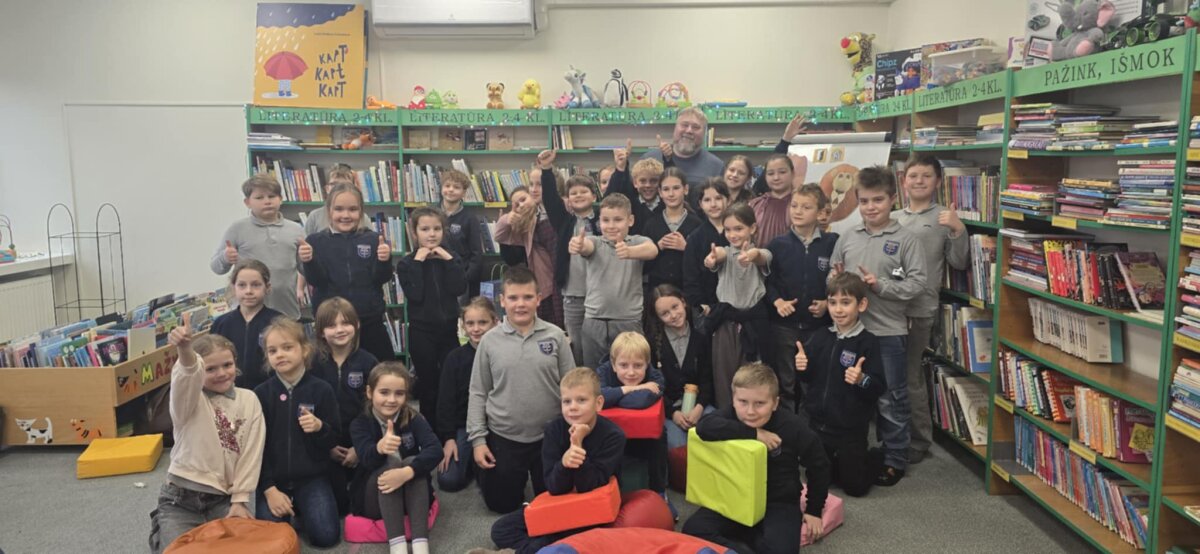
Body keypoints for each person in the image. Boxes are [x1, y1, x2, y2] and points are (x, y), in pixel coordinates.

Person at [828, 165, 928, 487]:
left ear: (893, 199)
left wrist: (880, 285)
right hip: (850, 333)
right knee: (850, 391)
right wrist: (835, 279)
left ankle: (895, 458)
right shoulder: (848, 236)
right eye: (864, 201)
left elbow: (917, 283)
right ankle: (850, 451)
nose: (871, 207)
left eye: (878, 200)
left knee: (890, 397)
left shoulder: (906, 240)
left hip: (887, 332)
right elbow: (831, 275)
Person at [681, 363, 830, 554]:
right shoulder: (731, 414)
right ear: (733, 400)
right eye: (743, 402)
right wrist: (754, 433)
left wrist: (813, 510)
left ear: (775, 403)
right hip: (735, 496)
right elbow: (704, 427)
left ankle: (749, 537)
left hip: (778, 502)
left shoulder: (793, 426)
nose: (750, 411)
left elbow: (820, 465)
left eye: (760, 403)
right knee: (693, 530)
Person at [467, 267, 575, 514]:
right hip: (505, 435)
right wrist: (478, 441)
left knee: (555, 500)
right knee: (501, 505)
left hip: (549, 434)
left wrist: (574, 430)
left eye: (527, 297)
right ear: (502, 301)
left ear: (538, 299)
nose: (520, 304)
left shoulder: (556, 336)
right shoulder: (489, 341)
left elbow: (572, 385)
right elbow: (478, 392)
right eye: (513, 298)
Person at [148, 326, 265, 554]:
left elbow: (251, 453)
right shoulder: (187, 400)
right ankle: (161, 527)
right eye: (210, 369)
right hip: (180, 501)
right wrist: (185, 350)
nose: (221, 373)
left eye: (227, 365)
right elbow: (187, 374)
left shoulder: (249, 399)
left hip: (223, 499)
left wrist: (240, 500)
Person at [485, 367, 625, 554]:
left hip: (590, 512)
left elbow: (588, 485)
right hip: (560, 504)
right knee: (501, 530)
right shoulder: (554, 430)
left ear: (598, 403)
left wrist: (577, 444)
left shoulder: (614, 436)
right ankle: (547, 545)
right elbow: (554, 487)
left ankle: (539, 547)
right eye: (567, 401)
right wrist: (563, 464)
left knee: (542, 542)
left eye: (581, 400)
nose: (572, 407)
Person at [892, 153, 968, 465]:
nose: (919, 181)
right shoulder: (892, 216)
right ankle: (892, 434)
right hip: (887, 305)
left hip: (919, 308)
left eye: (926, 175)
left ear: (937, 181)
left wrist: (958, 230)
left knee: (910, 376)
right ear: (903, 181)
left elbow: (959, 262)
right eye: (913, 175)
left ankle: (919, 440)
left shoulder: (943, 217)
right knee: (887, 374)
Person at [794, 272, 886, 497]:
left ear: (861, 305)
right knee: (817, 479)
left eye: (846, 302)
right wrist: (802, 367)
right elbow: (808, 379)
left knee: (855, 488)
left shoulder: (868, 342)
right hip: (819, 425)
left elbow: (878, 387)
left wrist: (861, 380)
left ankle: (875, 457)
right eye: (833, 302)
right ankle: (835, 463)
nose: (838, 309)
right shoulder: (820, 336)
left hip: (850, 428)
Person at [253, 318, 341, 547]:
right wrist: (269, 489)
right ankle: (287, 505)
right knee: (272, 541)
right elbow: (255, 449)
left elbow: (334, 438)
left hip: (312, 477)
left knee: (326, 537)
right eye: (272, 351)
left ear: (305, 350)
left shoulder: (321, 389)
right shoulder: (261, 394)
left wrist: (320, 428)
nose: (280, 355)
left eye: (287, 347)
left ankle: (301, 508)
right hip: (273, 481)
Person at [349, 362, 439, 554]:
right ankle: (397, 547)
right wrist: (379, 448)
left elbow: (435, 449)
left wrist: (407, 472)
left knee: (411, 462)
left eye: (399, 393)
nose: (391, 400)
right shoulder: (359, 424)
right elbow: (366, 459)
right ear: (370, 392)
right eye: (384, 392)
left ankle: (421, 545)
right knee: (390, 463)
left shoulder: (413, 417)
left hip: (411, 497)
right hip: (376, 501)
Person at [300, 182, 395, 362]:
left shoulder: (373, 239)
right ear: (329, 211)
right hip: (331, 324)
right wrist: (309, 261)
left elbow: (381, 278)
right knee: (329, 370)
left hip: (369, 320)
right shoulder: (315, 241)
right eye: (339, 209)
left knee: (382, 369)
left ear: (361, 211)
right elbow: (316, 281)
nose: (345, 215)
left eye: (352, 209)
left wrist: (384, 261)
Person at [765, 184, 839, 413]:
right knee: (785, 382)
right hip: (784, 327)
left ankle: (812, 428)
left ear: (820, 213)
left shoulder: (831, 242)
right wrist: (777, 302)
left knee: (815, 381)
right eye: (794, 205)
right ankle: (788, 427)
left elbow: (840, 280)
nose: (798, 211)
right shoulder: (778, 244)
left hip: (818, 327)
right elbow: (767, 282)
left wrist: (828, 303)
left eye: (806, 207)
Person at [394, 207, 468, 429]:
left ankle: (450, 428)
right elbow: (415, 294)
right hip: (421, 332)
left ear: (444, 231)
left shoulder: (451, 258)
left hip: (448, 331)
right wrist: (418, 262)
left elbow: (459, 288)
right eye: (425, 229)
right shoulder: (406, 264)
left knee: (450, 380)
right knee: (428, 384)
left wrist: (449, 261)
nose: (432, 234)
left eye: (437, 229)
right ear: (414, 233)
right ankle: (430, 431)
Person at [569, 194, 660, 368]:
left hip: (628, 320)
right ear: (599, 222)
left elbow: (652, 250)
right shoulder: (596, 242)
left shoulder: (637, 241)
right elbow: (586, 246)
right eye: (606, 220)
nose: (611, 226)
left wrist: (630, 252)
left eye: (618, 220)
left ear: (630, 220)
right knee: (594, 374)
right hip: (594, 320)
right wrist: (578, 245)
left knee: (631, 371)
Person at [311, 297, 379, 512]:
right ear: (321, 332)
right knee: (339, 506)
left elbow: (377, 409)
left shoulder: (368, 362)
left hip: (361, 441)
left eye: (346, 323)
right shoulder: (312, 363)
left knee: (364, 505)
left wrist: (360, 448)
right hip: (325, 443)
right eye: (331, 325)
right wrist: (328, 446)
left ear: (356, 325)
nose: (340, 330)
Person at [702, 203, 773, 408]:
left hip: (753, 325)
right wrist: (711, 258)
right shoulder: (724, 252)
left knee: (752, 376)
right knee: (724, 375)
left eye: (739, 228)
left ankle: (751, 416)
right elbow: (718, 255)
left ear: (753, 228)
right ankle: (726, 415)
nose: (732, 235)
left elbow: (760, 257)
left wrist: (750, 255)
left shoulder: (763, 252)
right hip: (726, 324)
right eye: (728, 230)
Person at [594, 332, 672, 516]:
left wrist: (614, 396)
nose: (631, 372)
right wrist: (633, 388)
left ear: (647, 364)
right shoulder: (602, 372)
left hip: (644, 440)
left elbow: (640, 401)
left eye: (638, 366)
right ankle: (611, 497)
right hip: (611, 440)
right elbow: (598, 397)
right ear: (613, 365)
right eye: (623, 365)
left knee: (660, 435)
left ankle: (659, 492)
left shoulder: (655, 376)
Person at [533, 150, 599, 366]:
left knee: (598, 346)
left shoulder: (604, 220)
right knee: (577, 346)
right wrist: (546, 169)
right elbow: (551, 200)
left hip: (600, 294)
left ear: (594, 196)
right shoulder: (564, 221)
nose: (578, 195)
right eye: (573, 193)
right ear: (568, 200)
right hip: (573, 294)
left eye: (583, 191)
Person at [210, 174, 306, 319]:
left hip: (286, 312)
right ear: (247, 202)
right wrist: (225, 258)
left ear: (280, 199)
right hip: (247, 315)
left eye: (272, 196)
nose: (267, 201)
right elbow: (216, 268)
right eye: (259, 198)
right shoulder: (237, 229)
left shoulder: (296, 230)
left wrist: (308, 259)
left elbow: (307, 271)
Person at [435, 297, 499, 492]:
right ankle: (470, 463)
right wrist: (449, 439)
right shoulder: (454, 358)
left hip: (498, 426)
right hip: (465, 427)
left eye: (482, 322)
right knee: (448, 480)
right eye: (470, 323)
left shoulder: (502, 354)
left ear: (495, 322)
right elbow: (445, 402)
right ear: (462, 325)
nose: (476, 329)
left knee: (497, 481)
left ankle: (479, 466)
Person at [496, 169, 565, 329]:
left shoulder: (564, 207)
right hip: (544, 281)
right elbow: (499, 235)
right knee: (548, 327)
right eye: (531, 185)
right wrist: (507, 218)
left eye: (539, 185)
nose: (534, 189)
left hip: (565, 279)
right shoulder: (532, 216)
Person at [648, 284, 714, 450]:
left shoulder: (701, 338)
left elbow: (707, 380)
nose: (673, 315)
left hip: (699, 407)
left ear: (683, 302)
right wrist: (673, 414)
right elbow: (652, 387)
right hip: (669, 411)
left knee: (712, 439)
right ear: (658, 317)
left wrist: (699, 408)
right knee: (680, 450)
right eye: (665, 313)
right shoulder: (652, 344)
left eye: (675, 307)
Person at [210, 259, 283, 390]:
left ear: (267, 287)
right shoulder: (221, 324)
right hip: (230, 393)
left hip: (270, 393)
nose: (249, 291)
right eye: (242, 285)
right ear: (234, 287)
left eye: (256, 285)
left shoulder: (279, 322)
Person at [643, 167, 702, 291]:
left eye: (676, 188)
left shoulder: (697, 224)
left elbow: (704, 265)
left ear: (685, 189)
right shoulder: (651, 224)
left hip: (688, 291)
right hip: (657, 293)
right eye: (666, 189)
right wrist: (657, 248)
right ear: (660, 192)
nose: (671, 194)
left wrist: (687, 248)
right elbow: (642, 266)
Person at [681, 178, 730, 320]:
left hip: (739, 303)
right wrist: (700, 304)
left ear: (728, 200)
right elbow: (690, 276)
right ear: (700, 204)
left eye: (718, 198)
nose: (713, 204)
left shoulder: (737, 232)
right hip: (709, 307)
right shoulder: (695, 238)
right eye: (707, 200)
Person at [640, 106, 724, 186]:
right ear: (675, 128)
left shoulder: (716, 167)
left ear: (704, 133)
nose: (689, 131)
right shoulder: (649, 159)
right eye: (684, 125)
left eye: (695, 127)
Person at [440, 169, 484, 300]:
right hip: (435, 274)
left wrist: (466, 277)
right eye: (447, 185)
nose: (451, 190)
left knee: (458, 311)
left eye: (456, 187)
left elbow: (476, 253)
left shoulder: (470, 218)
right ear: (441, 188)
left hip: (459, 276)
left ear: (464, 192)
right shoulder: (431, 213)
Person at [303, 166, 372, 235]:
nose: (340, 189)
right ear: (327, 189)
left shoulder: (363, 218)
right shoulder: (314, 216)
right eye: (334, 185)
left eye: (346, 185)